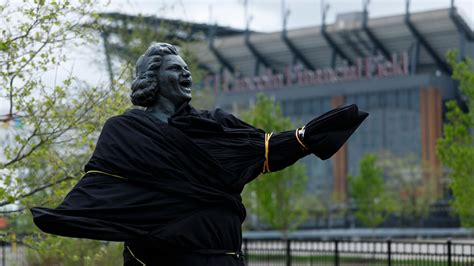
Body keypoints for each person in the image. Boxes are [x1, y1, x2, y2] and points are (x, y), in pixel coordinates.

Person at [31, 43, 367, 265]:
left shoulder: (216, 124)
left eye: (186, 67)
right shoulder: (126, 131)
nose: (186, 73)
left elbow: (264, 150)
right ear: (153, 79)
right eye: (176, 69)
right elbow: (103, 188)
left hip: (223, 258)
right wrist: (67, 218)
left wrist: (307, 138)